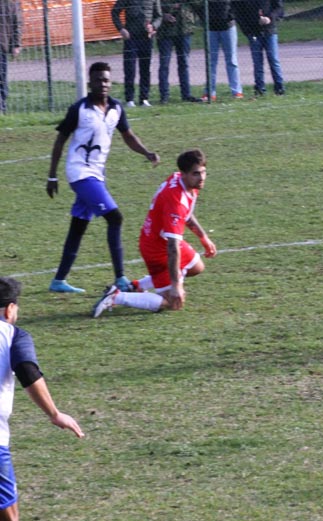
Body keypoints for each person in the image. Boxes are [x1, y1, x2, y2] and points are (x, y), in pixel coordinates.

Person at [0, 277, 85, 521]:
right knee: (7, 519)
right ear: (10, 309)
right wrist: (54, 413)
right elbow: (27, 371)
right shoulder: (13, 335)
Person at [46, 61, 160, 294]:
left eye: (106, 80)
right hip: (80, 172)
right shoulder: (79, 109)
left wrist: (146, 152)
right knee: (115, 218)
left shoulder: (116, 108)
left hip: (98, 174)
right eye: (98, 80)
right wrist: (52, 176)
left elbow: (128, 136)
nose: (103, 84)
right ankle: (120, 278)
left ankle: (58, 281)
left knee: (78, 226)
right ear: (90, 83)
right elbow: (60, 141)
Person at [93, 148, 217, 317]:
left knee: (196, 267)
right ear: (184, 174)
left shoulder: (184, 181)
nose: (201, 177)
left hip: (159, 237)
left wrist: (203, 237)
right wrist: (176, 286)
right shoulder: (176, 202)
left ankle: (136, 286)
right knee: (172, 302)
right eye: (196, 173)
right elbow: (172, 247)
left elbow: (186, 214)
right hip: (156, 249)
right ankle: (116, 296)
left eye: (203, 172)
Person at [111, 0, 162, 107]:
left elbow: (159, 16)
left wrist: (153, 26)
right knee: (130, 69)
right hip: (131, 38)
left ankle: (144, 99)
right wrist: (121, 29)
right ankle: (130, 99)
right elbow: (114, 12)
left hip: (146, 38)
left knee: (146, 69)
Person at [234, 0, 285, 97]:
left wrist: (270, 18)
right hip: (253, 32)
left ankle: (279, 89)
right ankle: (260, 89)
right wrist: (247, 30)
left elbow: (279, 8)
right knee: (257, 62)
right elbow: (239, 13)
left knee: (273, 59)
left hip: (270, 31)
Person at [157, 0, 202, 103]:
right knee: (164, 64)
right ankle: (164, 96)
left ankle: (186, 94)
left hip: (184, 29)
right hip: (165, 31)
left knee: (184, 63)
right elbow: (154, 5)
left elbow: (199, 4)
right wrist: (163, 15)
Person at [203, 0, 243, 101]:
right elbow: (199, 5)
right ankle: (209, 92)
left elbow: (238, 4)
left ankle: (237, 91)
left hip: (228, 26)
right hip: (211, 28)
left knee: (232, 60)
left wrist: (230, 16)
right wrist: (204, 16)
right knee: (211, 61)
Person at [0, 0, 21, 116]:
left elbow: (16, 24)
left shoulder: (11, 3)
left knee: (2, 78)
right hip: (3, 45)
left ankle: (2, 107)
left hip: (1, 46)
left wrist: (16, 45)